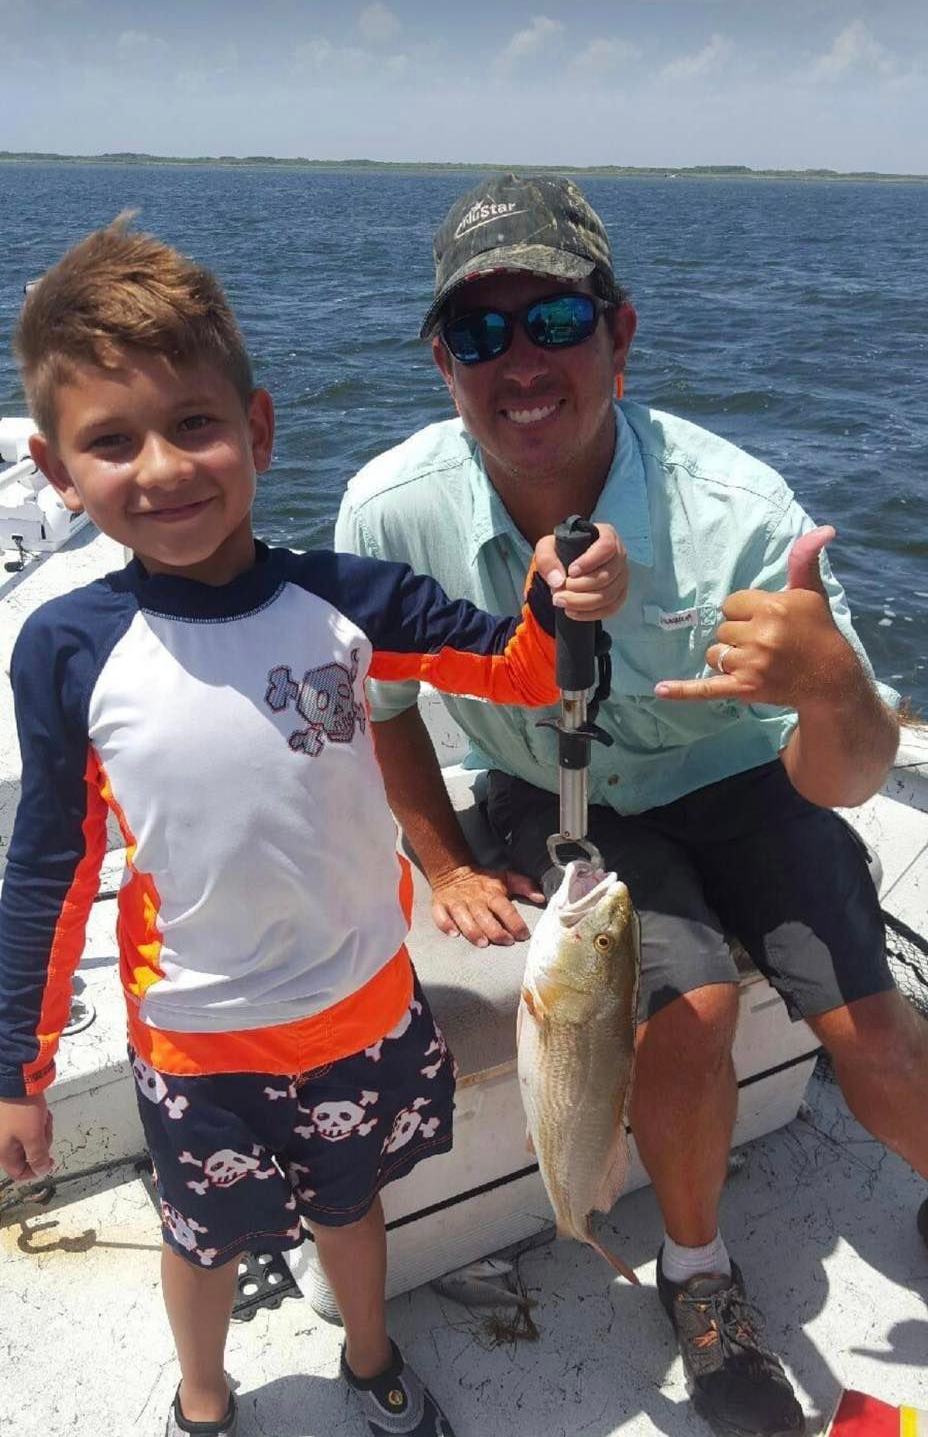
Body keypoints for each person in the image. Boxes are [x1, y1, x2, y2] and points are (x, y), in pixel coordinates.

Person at [0, 217, 625, 1437]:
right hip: (198, 1039)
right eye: (110, 443)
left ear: (260, 430)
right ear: (58, 474)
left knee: (354, 1206)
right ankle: (203, 1394)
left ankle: (371, 1357)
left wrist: (559, 594)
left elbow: (509, 666)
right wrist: (16, 1071)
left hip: (362, 1007)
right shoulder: (67, 647)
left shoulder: (342, 597)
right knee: (202, 1237)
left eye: (194, 424)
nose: (165, 467)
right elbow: (48, 870)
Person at [336, 173, 928, 1437]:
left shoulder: (735, 512)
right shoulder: (392, 511)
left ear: (620, 333)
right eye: (478, 332)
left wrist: (830, 689)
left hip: (740, 782)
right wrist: (440, 860)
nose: (519, 361)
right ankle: (698, 1276)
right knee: (693, 1008)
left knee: (874, 1037)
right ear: (442, 361)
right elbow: (383, 710)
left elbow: (839, 781)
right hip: (566, 802)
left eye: (552, 320)